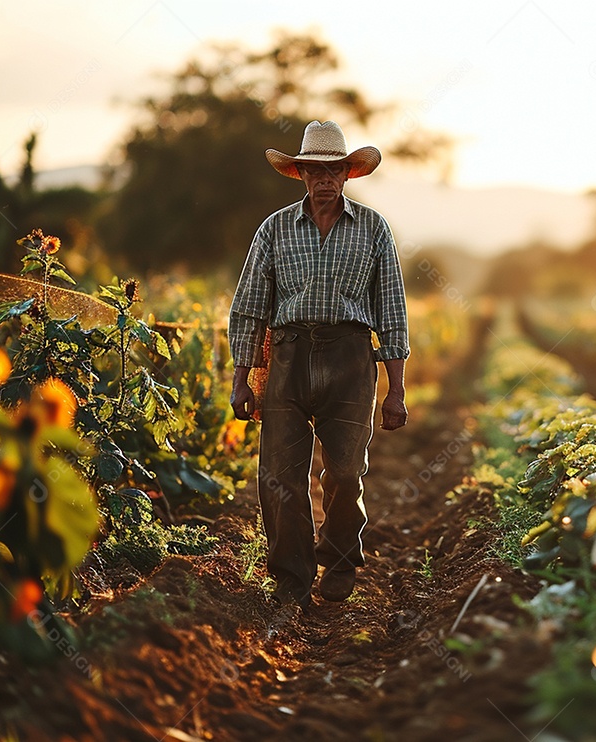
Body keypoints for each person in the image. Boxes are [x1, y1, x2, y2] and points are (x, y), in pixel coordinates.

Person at [228, 120, 410, 612]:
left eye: (334, 170)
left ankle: (340, 556)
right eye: (315, 170)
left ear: (347, 174)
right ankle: (292, 576)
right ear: (302, 173)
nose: (324, 178)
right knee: (280, 475)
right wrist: (241, 378)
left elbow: (391, 309)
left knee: (346, 471)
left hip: (352, 357)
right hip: (288, 355)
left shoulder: (372, 228)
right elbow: (249, 306)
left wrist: (396, 390)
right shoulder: (275, 228)